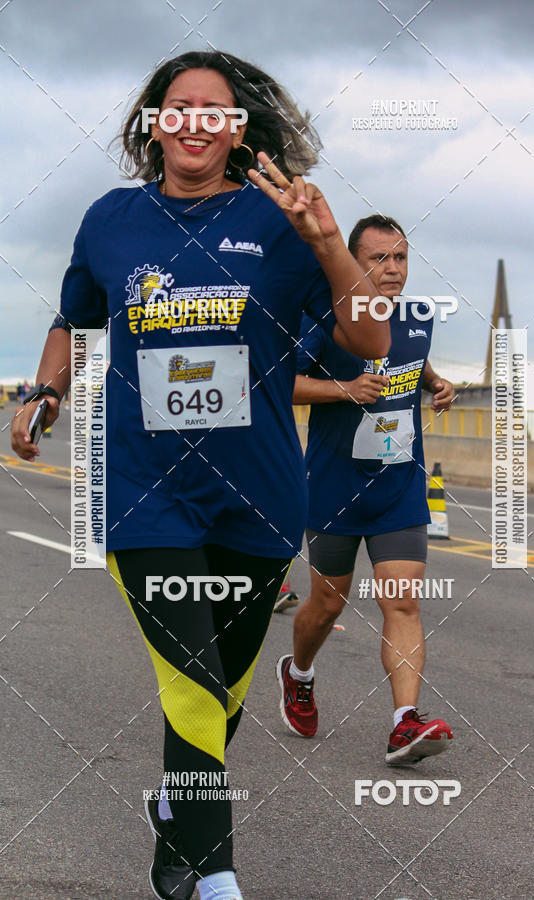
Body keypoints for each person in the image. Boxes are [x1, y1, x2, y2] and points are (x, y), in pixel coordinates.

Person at [11, 53, 389, 900]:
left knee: (218, 697)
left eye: (212, 109)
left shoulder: (284, 225)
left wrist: (328, 239)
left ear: (238, 128)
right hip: (143, 494)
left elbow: (369, 342)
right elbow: (74, 319)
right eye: (175, 107)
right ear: (154, 123)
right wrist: (44, 392)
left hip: (257, 497)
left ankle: (178, 820)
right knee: (192, 683)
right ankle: (213, 879)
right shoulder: (111, 220)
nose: (192, 121)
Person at [277, 214, 456, 766]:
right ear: (353, 263)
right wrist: (344, 389)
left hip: (399, 487)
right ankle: (299, 672)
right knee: (328, 603)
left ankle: (405, 724)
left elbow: (410, 355)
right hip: (334, 488)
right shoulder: (324, 316)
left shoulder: (417, 317)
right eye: (378, 258)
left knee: (402, 600)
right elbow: (280, 383)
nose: (392, 269)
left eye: (399, 257)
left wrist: (435, 382)